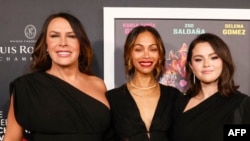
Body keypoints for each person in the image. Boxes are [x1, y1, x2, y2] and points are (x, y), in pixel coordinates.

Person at [3, 12, 112, 141]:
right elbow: (11, 138)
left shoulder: (98, 85)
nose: (63, 43)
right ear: (46, 45)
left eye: (71, 36)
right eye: (55, 36)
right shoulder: (27, 87)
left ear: (81, 45)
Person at [106, 25, 182, 141]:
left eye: (153, 49)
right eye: (138, 49)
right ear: (129, 54)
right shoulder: (113, 99)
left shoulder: (174, 96)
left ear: (160, 55)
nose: (146, 55)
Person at [171, 33, 250, 141]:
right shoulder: (179, 104)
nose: (206, 64)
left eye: (214, 58)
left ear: (223, 61)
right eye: (199, 59)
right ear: (191, 66)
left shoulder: (241, 105)